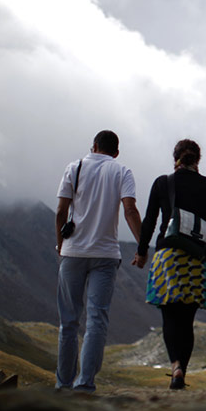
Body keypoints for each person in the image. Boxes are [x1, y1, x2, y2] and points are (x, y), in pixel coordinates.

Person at [133, 139, 206, 389]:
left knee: (169, 316)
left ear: (175, 158)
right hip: (196, 258)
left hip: (168, 255)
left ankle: (175, 365)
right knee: (187, 319)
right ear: (198, 160)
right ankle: (183, 373)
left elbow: (149, 220)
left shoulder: (162, 183)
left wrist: (142, 250)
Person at [55, 130, 142, 393]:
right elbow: (129, 210)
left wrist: (61, 245)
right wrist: (142, 245)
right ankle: (85, 385)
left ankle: (63, 384)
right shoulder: (122, 171)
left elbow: (61, 211)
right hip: (105, 255)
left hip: (73, 253)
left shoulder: (74, 167)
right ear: (116, 152)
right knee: (96, 320)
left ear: (93, 146)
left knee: (68, 321)